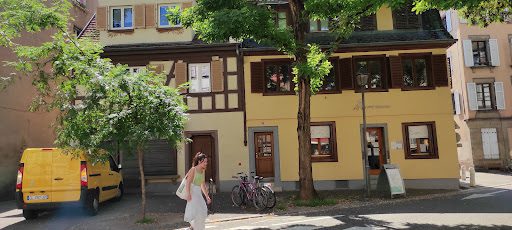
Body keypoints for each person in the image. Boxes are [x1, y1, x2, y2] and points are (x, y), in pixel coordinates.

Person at [184, 152, 211, 230]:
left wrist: (207, 196)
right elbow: (188, 183)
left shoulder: (203, 171)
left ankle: (195, 227)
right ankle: (194, 227)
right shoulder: (193, 169)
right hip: (193, 194)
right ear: (199, 161)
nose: (206, 163)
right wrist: (188, 194)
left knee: (202, 210)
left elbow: (202, 185)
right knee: (195, 213)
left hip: (198, 193)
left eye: (206, 161)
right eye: (204, 161)